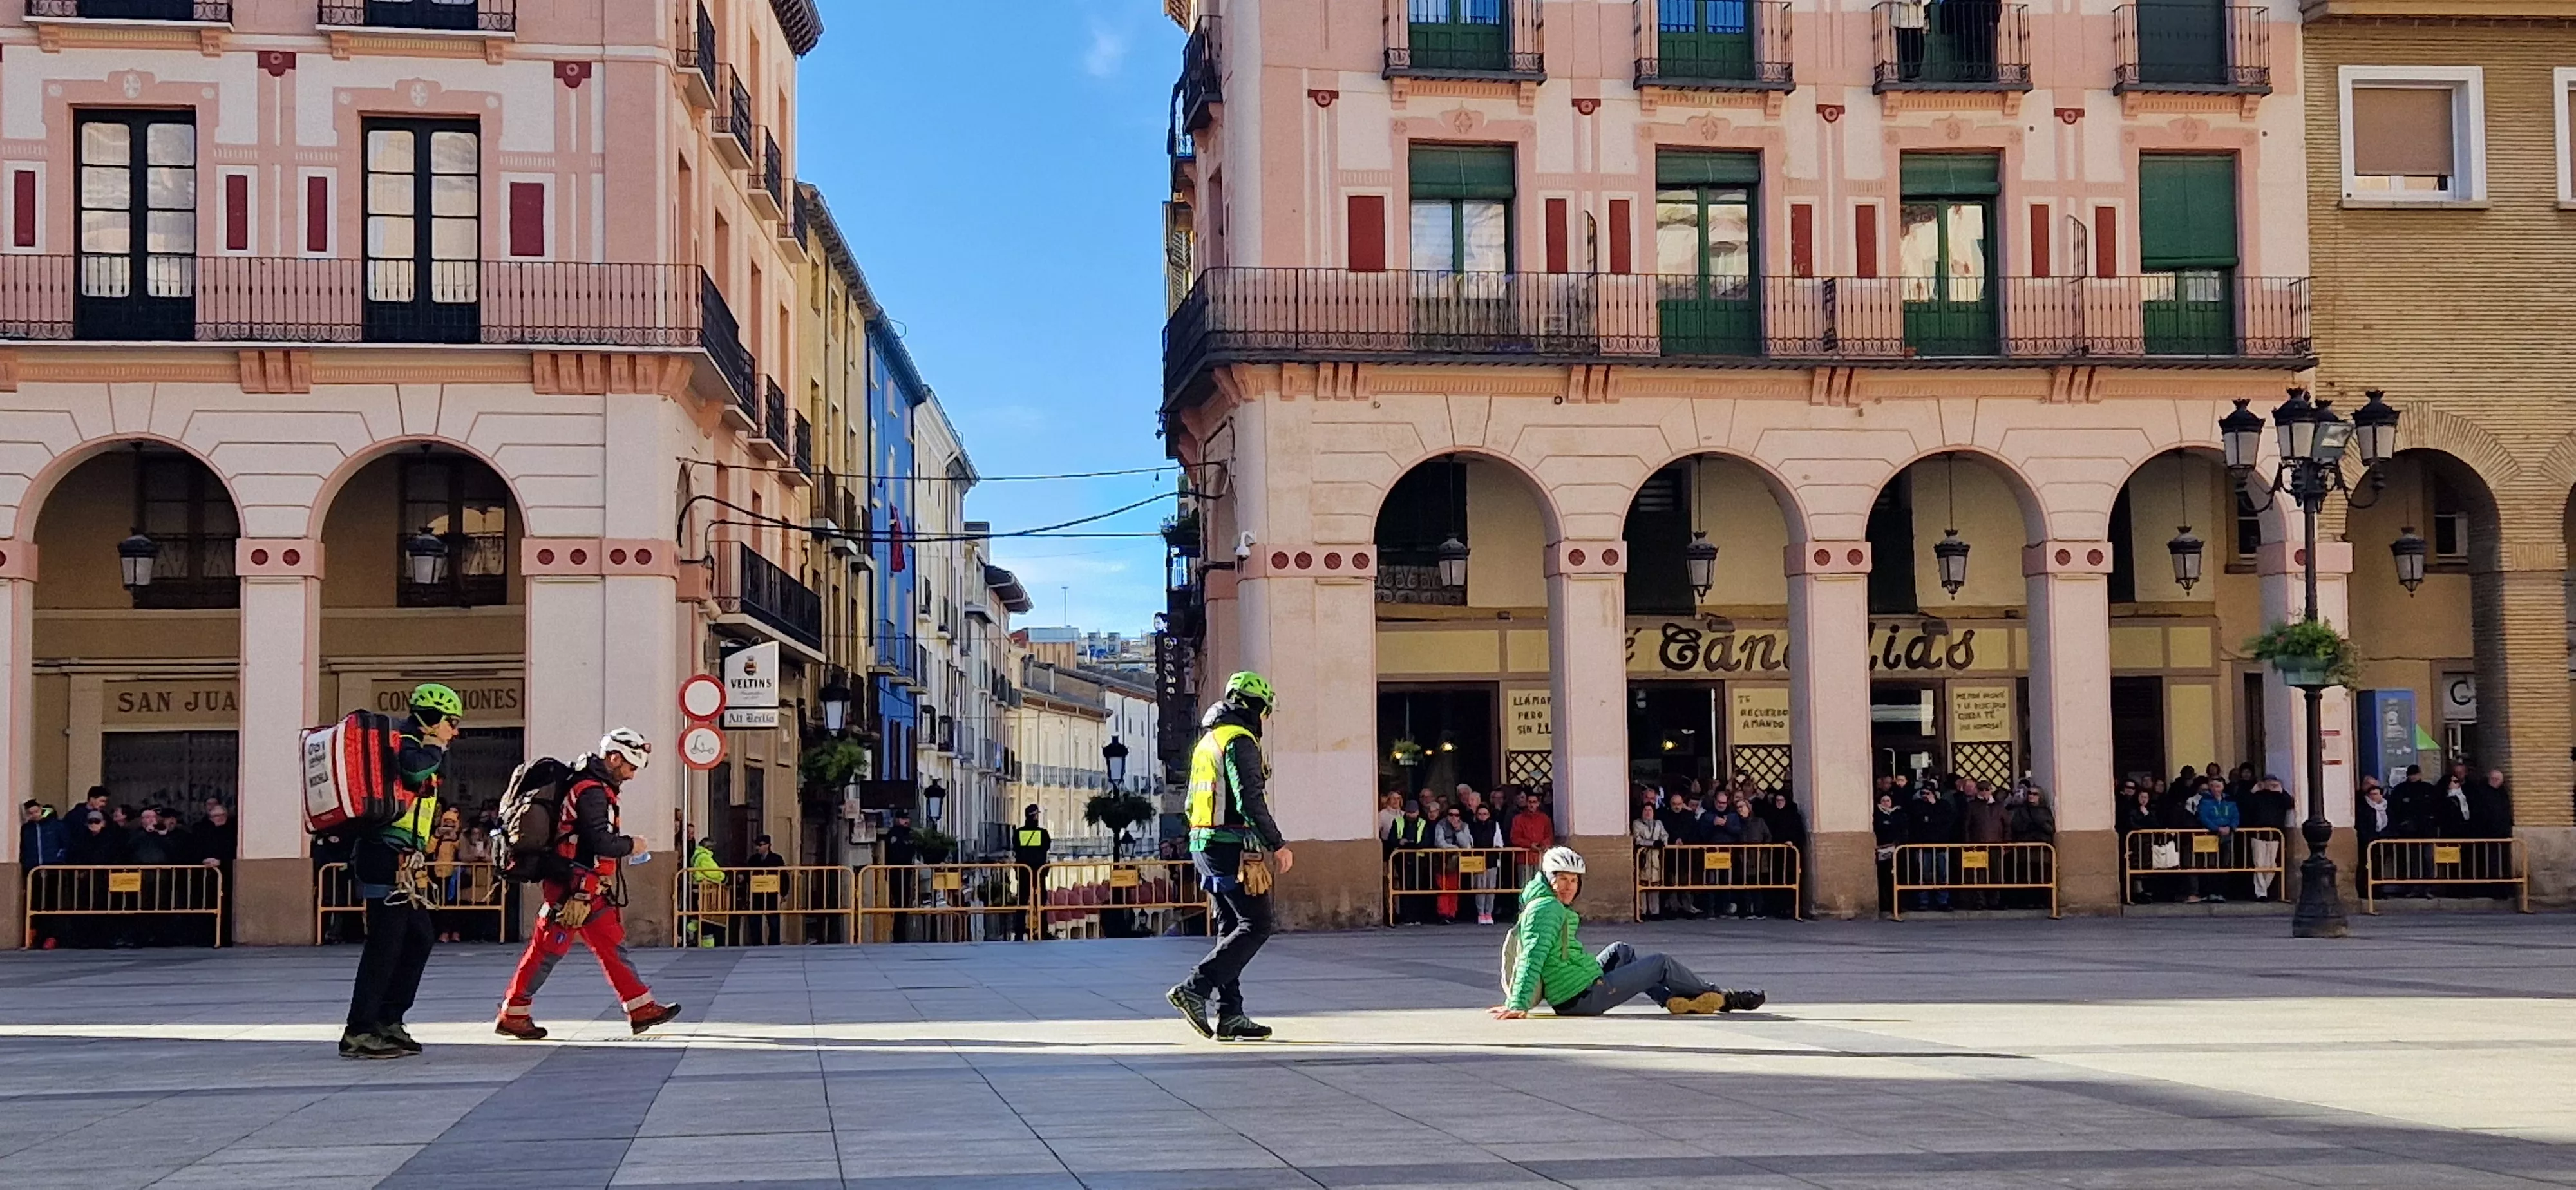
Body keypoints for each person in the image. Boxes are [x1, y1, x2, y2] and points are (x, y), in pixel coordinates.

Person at [495, 729, 683, 1040]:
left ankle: (641, 1007)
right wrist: (632, 845)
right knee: (547, 949)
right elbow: (599, 841)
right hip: (574, 886)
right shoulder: (592, 791)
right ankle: (514, 1012)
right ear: (615, 758)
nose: (632, 776)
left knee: (610, 946)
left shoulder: (590, 786)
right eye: (631, 767)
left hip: (585, 884)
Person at [1492, 847, 1765, 1019]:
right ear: (1549, 879)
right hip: (1581, 997)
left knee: (1620, 951)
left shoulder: (1547, 905)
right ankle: (1724, 997)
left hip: (1580, 984)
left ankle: (1671, 999)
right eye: (1562, 879)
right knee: (1660, 963)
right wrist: (1517, 1003)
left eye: (1574, 880)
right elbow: (1532, 955)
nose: (1569, 886)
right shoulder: (1547, 909)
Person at [341, 682, 465, 1059]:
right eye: (451, 722)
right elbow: (414, 771)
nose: (455, 731)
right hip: (383, 854)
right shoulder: (407, 742)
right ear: (433, 719)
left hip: (402, 858)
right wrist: (435, 744)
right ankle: (359, 1031)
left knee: (418, 937)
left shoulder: (415, 742)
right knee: (385, 945)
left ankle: (388, 1020)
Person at [1168, 671, 1292, 1043]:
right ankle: (1195, 987)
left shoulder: (1209, 741)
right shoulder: (1239, 740)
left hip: (1203, 841)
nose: (1266, 718)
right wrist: (1277, 844)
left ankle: (1231, 1013)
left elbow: (1192, 801)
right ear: (1254, 706)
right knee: (1258, 923)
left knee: (1230, 926)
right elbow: (1249, 799)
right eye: (1265, 710)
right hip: (1230, 844)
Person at [2239, 775, 2292, 902]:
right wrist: (2254, 791)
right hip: (2258, 834)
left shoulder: (2279, 797)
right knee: (2259, 863)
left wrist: (2281, 791)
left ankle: (2266, 888)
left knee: (2271, 864)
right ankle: (2261, 892)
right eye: (2267, 783)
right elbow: (2245, 806)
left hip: (2275, 834)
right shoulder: (2257, 796)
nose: (2269, 786)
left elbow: (2290, 804)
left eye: (2272, 783)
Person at [1385, 799, 1432, 924]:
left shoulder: (1423, 823)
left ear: (1418, 812)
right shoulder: (1398, 822)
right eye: (1409, 812)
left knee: (1418, 888)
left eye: (1414, 812)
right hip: (1402, 859)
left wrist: (1414, 845)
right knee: (1405, 888)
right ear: (1405, 812)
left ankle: (1417, 916)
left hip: (1419, 859)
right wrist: (1400, 842)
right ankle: (1406, 916)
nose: (1412, 815)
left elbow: (1426, 841)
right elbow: (1391, 840)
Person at [1431, 804, 1475, 923]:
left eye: (1456, 815)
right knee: (1443, 888)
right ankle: (1443, 914)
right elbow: (1440, 842)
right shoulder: (1441, 825)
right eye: (1451, 814)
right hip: (1442, 861)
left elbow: (1467, 845)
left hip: (1457, 862)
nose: (1454, 817)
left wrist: (1458, 830)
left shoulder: (1464, 826)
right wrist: (1455, 848)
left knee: (1454, 888)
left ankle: (1452, 913)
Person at [1463, 802, 1504, 923]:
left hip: (1492, 860)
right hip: (1477, 860)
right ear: (1476, 815)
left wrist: (1497, 851)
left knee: (1491, 888)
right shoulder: (1470, 826)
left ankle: (1489, 913)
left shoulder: (1494, 825)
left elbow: (1499, 841)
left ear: (1489, 815)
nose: (1482, 816)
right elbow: (1468, 843)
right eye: (1480, 814)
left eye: (1485, 814)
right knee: (1480, 888)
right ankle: (1481, 913)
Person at [744, 835, 787, 945]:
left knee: (773, 919)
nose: (757, 848)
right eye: (757, 845)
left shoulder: (776, 859)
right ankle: (756, 943)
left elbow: (784, 877)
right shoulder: (753, 859)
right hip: (756, 894)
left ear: (768, 845)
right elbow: (747, 875)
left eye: (760, 845)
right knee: (755, 918)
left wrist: (784, 893)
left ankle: (774, 943)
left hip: (772, 893)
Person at [1630, 800, 1670, 920]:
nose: (1648, 813)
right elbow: (1637, 839)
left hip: (1655, 858)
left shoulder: (1658, 824)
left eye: (1650, 810)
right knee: (1642, 884)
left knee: (1655, 884)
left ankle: (1655, 911)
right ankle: (1642, 911)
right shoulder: (1637, 823)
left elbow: (1665, 835)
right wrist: (1652, 844)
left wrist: (1663, 842)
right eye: (1646, 810)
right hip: (1643, 857)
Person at [686, 836, 726, 947]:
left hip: (700, 889)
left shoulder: (697, 855)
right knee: (707, 918)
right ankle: (707, 944)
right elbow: (714, 872)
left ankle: (692, 928)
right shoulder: (704, 857)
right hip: (706, 890)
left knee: (701, 915)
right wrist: (723, 876)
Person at [1872, 791, 1906, 916]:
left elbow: (1902, 829)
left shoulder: (1898, 814)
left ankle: (1897, 905)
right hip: (1882, 849)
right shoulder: (1877, 815)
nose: (1886, 803)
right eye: (1884, 800)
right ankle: (1884, 904)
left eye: (1888, 800)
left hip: (1896, 849)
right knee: (1883, 877)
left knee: (1896, 877)